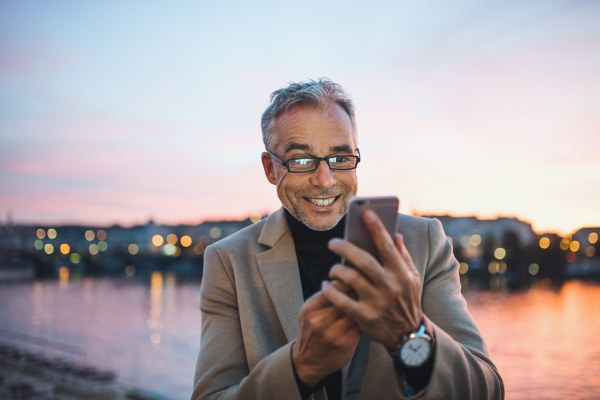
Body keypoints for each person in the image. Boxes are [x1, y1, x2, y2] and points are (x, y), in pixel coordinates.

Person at [191, 79, 504, 400]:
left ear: (356, 158)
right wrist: (301, 367)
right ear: (271, 168)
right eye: (300, 160)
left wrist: (410, 334)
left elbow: (486, 391)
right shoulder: (228, 260)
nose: (324, 180)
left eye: (340, 158)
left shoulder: (424, 241)